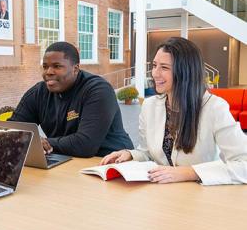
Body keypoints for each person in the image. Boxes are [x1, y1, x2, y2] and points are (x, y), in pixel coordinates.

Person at [101, 37, 247, 185]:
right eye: (154, 65)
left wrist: (190, 172)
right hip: (161, 196)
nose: (155, 73)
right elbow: (148, 153)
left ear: (185, 72)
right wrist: (130, 155)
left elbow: (244, 164)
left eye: (164, 68)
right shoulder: (149, 106)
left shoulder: (215, 107)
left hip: (200, 198)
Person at [10, 41, 133, 157]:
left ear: (75, 69)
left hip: (110, 161)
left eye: (57, 66)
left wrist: (41, 143)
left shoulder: (98, 90)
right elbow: (12, 129)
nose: (48, 72)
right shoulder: (38, 93)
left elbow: (86, 144)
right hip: (66, 159)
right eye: (45, 66)